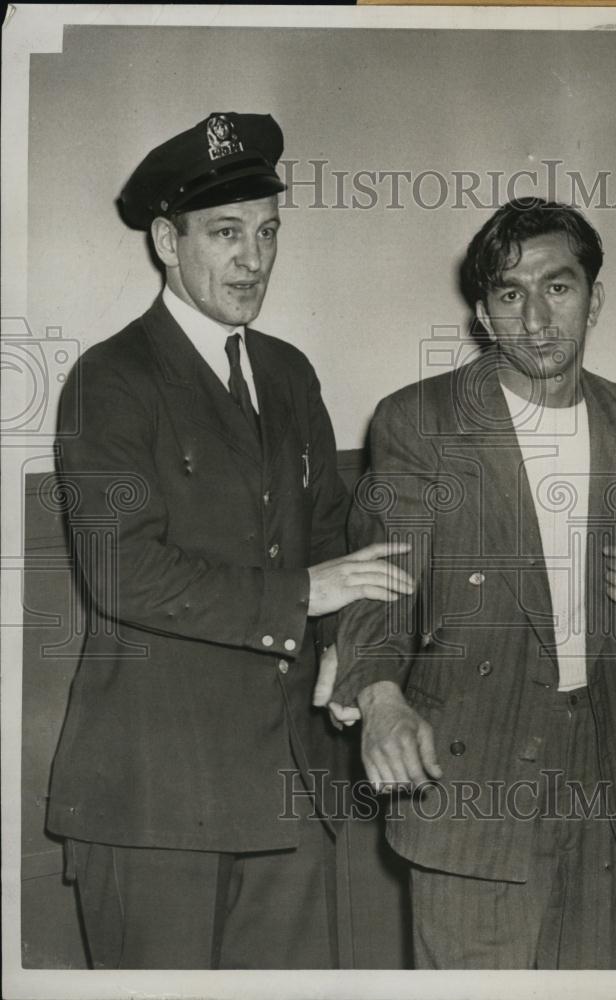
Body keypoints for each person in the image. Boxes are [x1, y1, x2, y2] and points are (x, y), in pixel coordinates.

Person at [45, 111, 413, 970]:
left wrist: (348, 656)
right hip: (154, 795)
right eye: (225, 233)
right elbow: (121, 569)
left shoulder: (287, 372)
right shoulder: (110, 378)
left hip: (288, 780)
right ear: (166, 242)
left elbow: (333, 539)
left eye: (267, 232)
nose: (253, 259)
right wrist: (303, 597)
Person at [324, 199, 616, 969]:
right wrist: (379, 697)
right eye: (510, 294)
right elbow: (379, 580)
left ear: (593, 298)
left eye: (558, 287)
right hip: (475, 770)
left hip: (608, 768)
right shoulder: (419, 422)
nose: (536, 318)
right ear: (484, 315)